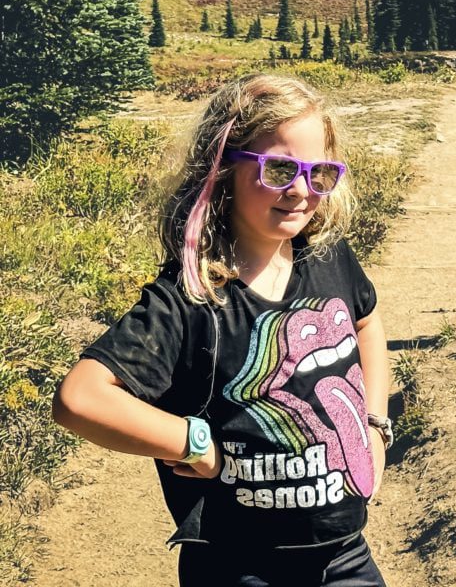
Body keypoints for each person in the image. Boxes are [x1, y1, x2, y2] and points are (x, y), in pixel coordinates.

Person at [52, 72, 392, 586]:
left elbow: (365, 321)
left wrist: (374, 423)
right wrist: (190, 441)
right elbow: (80, 398)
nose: (301, 191)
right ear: (223, 168)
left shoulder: (328, 257)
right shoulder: (189, 295)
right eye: (279, 169)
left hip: (344, 553)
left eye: (320, 173)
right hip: (237, 563)